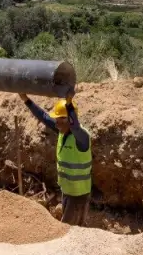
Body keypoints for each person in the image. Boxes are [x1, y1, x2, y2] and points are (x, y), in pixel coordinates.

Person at [19, 91, 91, 226]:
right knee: (72, 228)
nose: (56, 122)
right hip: (67, 191)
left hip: (78, 195)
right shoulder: (62, 131)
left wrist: (69, 104)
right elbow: (43, 116)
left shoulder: (82, 137)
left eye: (59, 119)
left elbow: (75, 126)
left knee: (69, 230)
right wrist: (26, 100)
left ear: (69, 120)